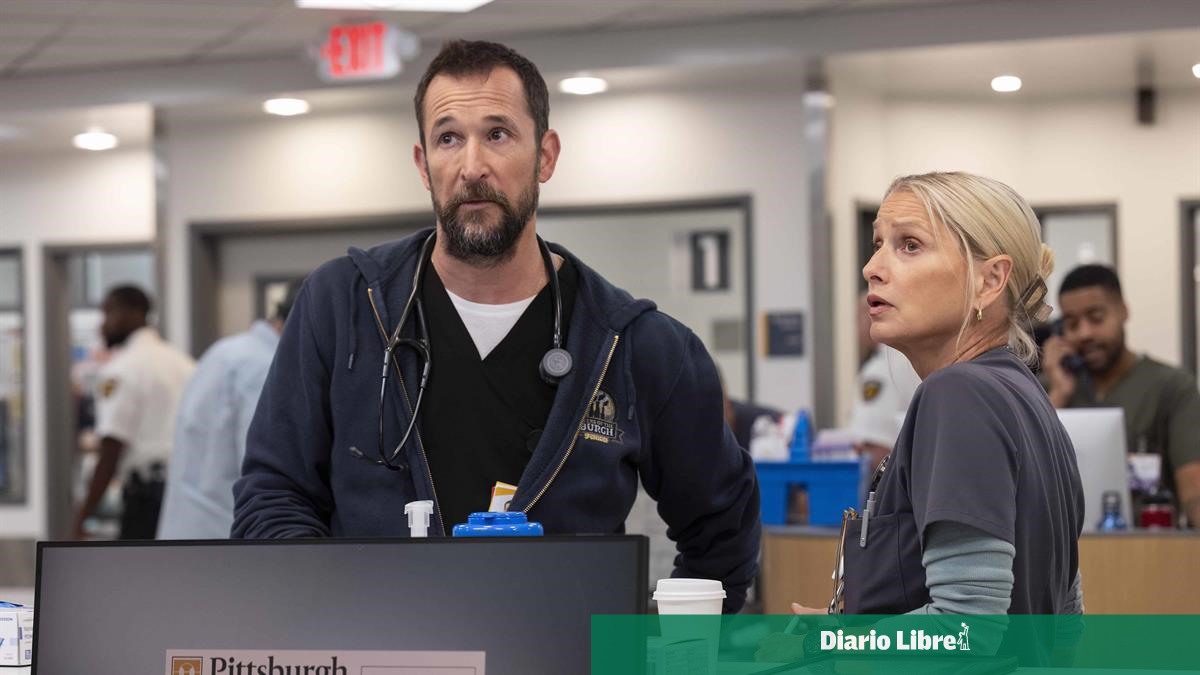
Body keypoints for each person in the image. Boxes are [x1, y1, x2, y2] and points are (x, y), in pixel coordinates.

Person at [232, 40, 760, 611]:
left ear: (545, 156)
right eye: (448, 138)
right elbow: (272, 498)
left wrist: (646, 645)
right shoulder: (345, 306)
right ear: (423, 165)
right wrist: (329, 626)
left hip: (564, 651)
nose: (472, 167)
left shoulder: (633, 345)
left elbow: (722, 535)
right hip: (378, 644)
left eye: (498, 134)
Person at [760, 172, 1083, 662]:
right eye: (878, 245)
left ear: (989, 280)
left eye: (909, 245)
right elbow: (1066, 624)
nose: (872, 268)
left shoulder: (958, 394)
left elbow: (966, 630)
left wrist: (824, 644)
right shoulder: (1027, 397)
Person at [1043, 264, 1200, 526]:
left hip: (1148, 544)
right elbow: (1025, 471)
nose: (1085, 333)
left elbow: (1194, 490)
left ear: (1123, 311)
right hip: (1065, 542)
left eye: (1096, 318)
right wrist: (1058, 395)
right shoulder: (1049, 388)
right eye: (1072, 324)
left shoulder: (1172, 387)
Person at [157, 281, 302, 539]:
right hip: (223, 534)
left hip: (188, 529)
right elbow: (266, 470)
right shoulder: (264, 367)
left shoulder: (225, 351)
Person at [73, 286, 195, 540]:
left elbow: (111, 448)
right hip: (187, 495)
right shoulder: (184, 363)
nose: (102, 325)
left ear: (132, 313)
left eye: (108, 313)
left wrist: (81, 519)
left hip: (147, 500)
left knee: (139, 565)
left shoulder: (121, 370)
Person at [846, 290, 920, 472]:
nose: (856, 331)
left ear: (871, 317)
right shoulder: (911, 357)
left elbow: (874, 445)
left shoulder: (880, 370)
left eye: (857, 320)